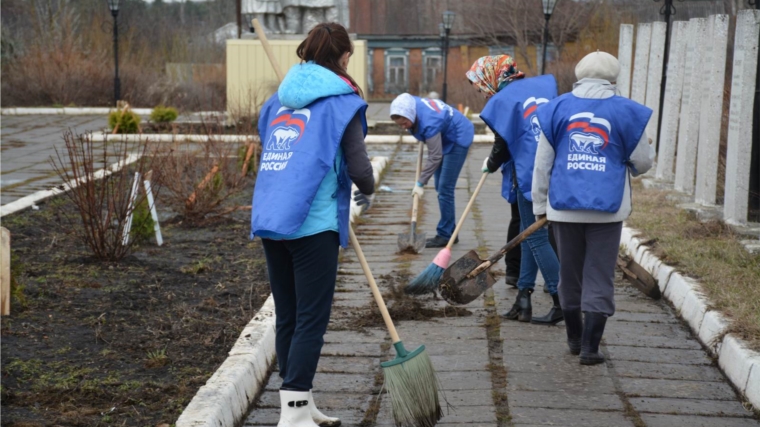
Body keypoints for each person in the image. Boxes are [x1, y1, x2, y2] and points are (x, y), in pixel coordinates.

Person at [251, 22, 375, 427]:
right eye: (348, 55)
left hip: (272, 217)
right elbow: (359, 168)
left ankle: (299, 401)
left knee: (288, 316)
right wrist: (368, 188)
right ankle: (295, 414)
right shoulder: (342, 102)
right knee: (310, 319)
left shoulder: (277, 102)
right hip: (312, 223)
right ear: (341, 57)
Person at [532, 51, 654, 365]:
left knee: (569, 273)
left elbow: (543, 164)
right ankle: (590, 348)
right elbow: (642, 163)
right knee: (599, 274)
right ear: (613, 78)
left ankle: (573, 338)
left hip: (562, 207)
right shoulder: (626, 111)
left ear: (578, 73)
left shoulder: (557, 107)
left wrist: (539, 205)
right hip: (608, 209)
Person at [466, 54, 562, 325]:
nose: (480, 91)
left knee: (536, 237)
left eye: (479, 85)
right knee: (529, 233)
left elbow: (503, 142)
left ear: (490, 76)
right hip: (554, 167)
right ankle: (524, 297)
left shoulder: (502, 100)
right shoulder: (540, 86)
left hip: (529, 171)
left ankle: (561, 298)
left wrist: (491, 163)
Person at [389, 93, 474, 247]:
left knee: (445, 188)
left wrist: (420, 183)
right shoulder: (409, 105)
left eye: (405, 123)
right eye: (400, 125)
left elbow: (435, 156)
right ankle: (451, 231)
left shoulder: (429, 122)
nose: (403, 127)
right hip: (443, 135)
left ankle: (445, 234)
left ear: (411, 115)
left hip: (458, 136)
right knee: (440, 187)